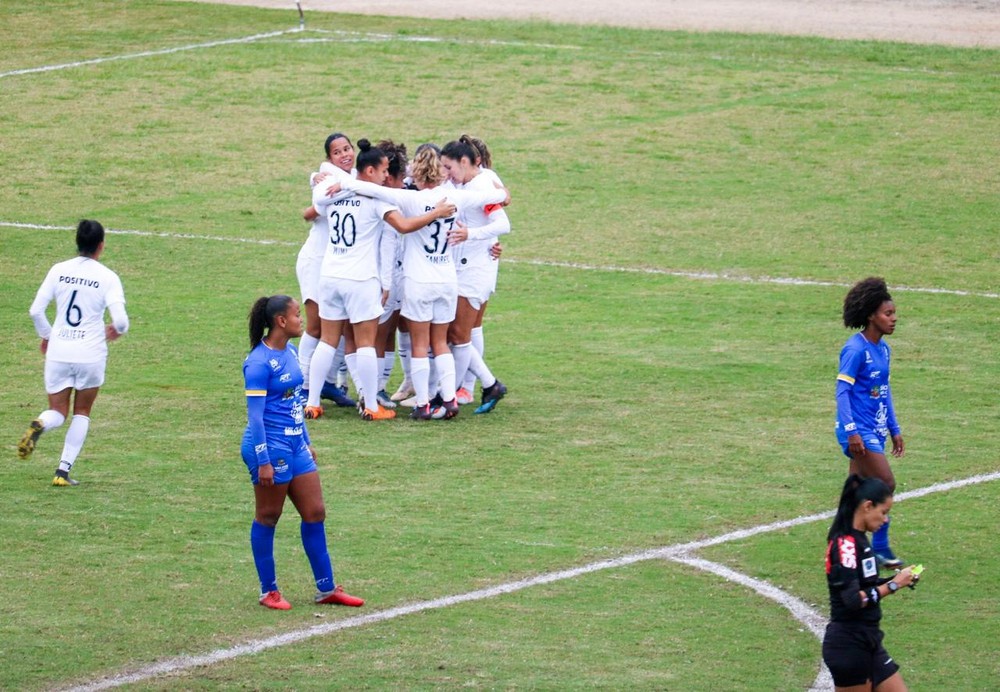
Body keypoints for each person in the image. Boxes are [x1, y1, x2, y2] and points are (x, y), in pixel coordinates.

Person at [326, 145, 509, 420]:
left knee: (420, 345)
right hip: (446, 279)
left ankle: (423, 403)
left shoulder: (408, 200)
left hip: (418, 281)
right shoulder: (455, 197)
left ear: (418, 175)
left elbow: (376, 190)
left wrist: (341, 182)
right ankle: (449, 400)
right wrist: (502, 193)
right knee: (442, 343)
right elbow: (491, 196)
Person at [304, 139, 457, 421]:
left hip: (330, 274)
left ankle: (312, 402)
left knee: (327, 340)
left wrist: (317, 177)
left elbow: (315, 205)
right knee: (365, 343)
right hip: (360, 279)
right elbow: (403, 226)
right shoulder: (377, 200)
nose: (388, 176)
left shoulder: (332, 192)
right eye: (384, 170)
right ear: (371, 170)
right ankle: (372, 405)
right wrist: (436, 213)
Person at [241, 294, 364, 610]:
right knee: (269, 516)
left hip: (295, 444)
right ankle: (268, 590)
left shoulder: (292, 353)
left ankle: (326, 589)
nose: (302, 320)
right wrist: (264, 460)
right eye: (298, 315)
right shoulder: (257, 363)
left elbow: (294, 402)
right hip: (269, 445)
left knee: (315, 512)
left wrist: (306, 439)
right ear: (281, 321)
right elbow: (255, 417)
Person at [18, 219, 129, 487]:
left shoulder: (59, 270)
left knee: (57, 410)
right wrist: (115, 331)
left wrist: (47, 336)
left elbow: (35, 311)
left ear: (77, 242)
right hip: (90, 354)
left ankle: (41, 423)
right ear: (101, 246)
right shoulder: (107, 277)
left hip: (59, 350)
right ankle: (62, 472)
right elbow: (122, 321)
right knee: (82, 411)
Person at [822, 474, 919, 691]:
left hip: (869, 639)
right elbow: (852, 600)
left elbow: (866, 587)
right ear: (867, 506)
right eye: (883, 512)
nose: (885, 520)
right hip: (849, 645)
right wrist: (893, 585)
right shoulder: (845, 545)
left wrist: (897, 579)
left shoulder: (860, 539)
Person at [835, 277, 906, 568]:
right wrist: (851, 431)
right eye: (887, 314)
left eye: (894, 313)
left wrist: (895, 428)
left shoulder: (884, 350)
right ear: (870, 316)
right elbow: (842, 391)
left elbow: (884, 393)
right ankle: (880, 547)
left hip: (874, 429)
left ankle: (843, 540)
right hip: (858, 431)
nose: (894, 319)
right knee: (885, 482)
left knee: (856, 487)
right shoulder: (855, 349)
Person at [441, 138, 510, 414]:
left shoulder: (482, 184)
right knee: (468, 329)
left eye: (449, 167)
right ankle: (465, 388)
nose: (447, 173)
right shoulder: (467, 184)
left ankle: (480, 385)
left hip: (475, 269)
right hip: (471, 265)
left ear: (465, 162)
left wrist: (474, 235)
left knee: (456, 332)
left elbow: (503, 223)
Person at [296, 132, 357, 409]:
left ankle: (327, 383)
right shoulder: (327, 179)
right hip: (315, 260)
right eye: (337, 152)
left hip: (337, 264)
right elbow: (313, 210)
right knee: (317, 326)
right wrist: (315, 176)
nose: (344, 154)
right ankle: (300, 385)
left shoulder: (354, 177)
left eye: (347, 148)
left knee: (340, 325)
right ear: (329, 158)